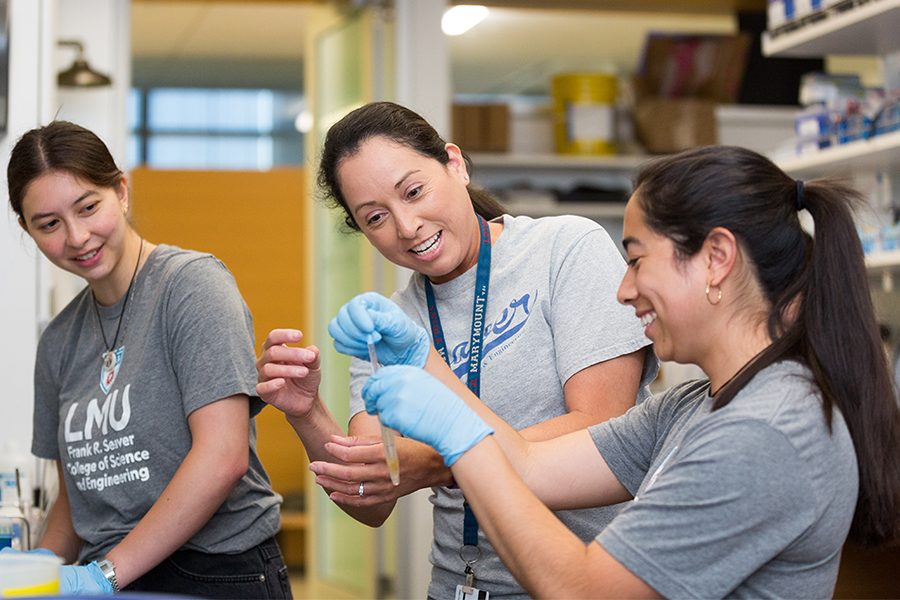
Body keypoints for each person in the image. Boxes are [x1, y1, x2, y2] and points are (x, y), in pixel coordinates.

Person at [333, 145, 900, 598]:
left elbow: (582, 589)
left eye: (634, 260)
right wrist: (423, 359)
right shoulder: (691, 406)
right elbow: (529, 468)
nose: (623, 290)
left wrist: (456, 440)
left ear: (716, 259)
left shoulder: (765, 430)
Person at [256, 101, 657, 598]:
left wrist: (435, 461)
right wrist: (306, 411)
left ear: (455, 163)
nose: (406, 226)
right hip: (457, 585)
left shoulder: (563, 250)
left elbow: (603, 431)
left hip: (585, 577)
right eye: (376, 217)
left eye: (414, 191)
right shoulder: (389, 321)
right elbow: (371, 499)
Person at [6, 121, 291, 598]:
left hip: (216, 571)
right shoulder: (58, 342)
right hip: (114, 575)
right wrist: (38, 574)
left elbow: (223, 458)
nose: (76, 237)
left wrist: (104, 575)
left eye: (88, 207)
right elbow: (74, 499)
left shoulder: (191, 287)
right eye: (49, 224)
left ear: (121, 191)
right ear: (27, 230)